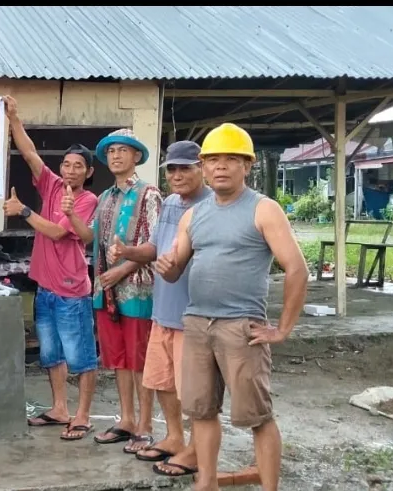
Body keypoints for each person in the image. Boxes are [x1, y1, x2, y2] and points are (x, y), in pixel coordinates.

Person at [155, 123, 308, 491]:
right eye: (213, 160)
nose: (220, 166)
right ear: (203, 167)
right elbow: (176, 270)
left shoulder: (263, 209)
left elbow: (297, 269)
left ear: (247, 166)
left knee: (258, 416)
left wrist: (282, 329)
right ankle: (206, 483)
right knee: (201, 412)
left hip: (242, 328)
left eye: (231, 159)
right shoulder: (194, 215)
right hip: (196, 323)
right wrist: (168, 266)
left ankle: (270, 488)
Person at [106, 141, 209, 477]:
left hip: (193, 313)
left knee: (193, 389)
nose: (177, 175)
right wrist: (127, 251)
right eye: (172, 169)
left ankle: (196, 451)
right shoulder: (170, 204)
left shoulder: (212, 205)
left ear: (202, 168)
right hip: (162, 309)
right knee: (163, 381)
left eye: (186, 168)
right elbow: (155, 248)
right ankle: (175, 438)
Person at [1, 96, 100, 441]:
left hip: (72, 291)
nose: (70, 170)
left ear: (89, 173)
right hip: (45, 288)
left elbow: (58, 232)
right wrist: (14, 118)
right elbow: (29, 153)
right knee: (51, 354)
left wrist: (23, 211)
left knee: (81, 357)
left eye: (78, 166)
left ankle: (83, 415)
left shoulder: (88, 201)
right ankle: (60, 408)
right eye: (67, 164)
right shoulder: (53, 185)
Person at [71, 128, 162, 453]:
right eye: (111, 152)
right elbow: (88, 237)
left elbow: (155, 245)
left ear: (136, 156)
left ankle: (145, 425)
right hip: (106, 292)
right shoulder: (105, 198)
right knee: (119, 360)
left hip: (137, 290)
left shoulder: (149, 194)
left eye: (123, 150)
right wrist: (69, 213)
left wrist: (120, 269)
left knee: (140, 361)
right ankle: (126, 419)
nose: (116, 156)